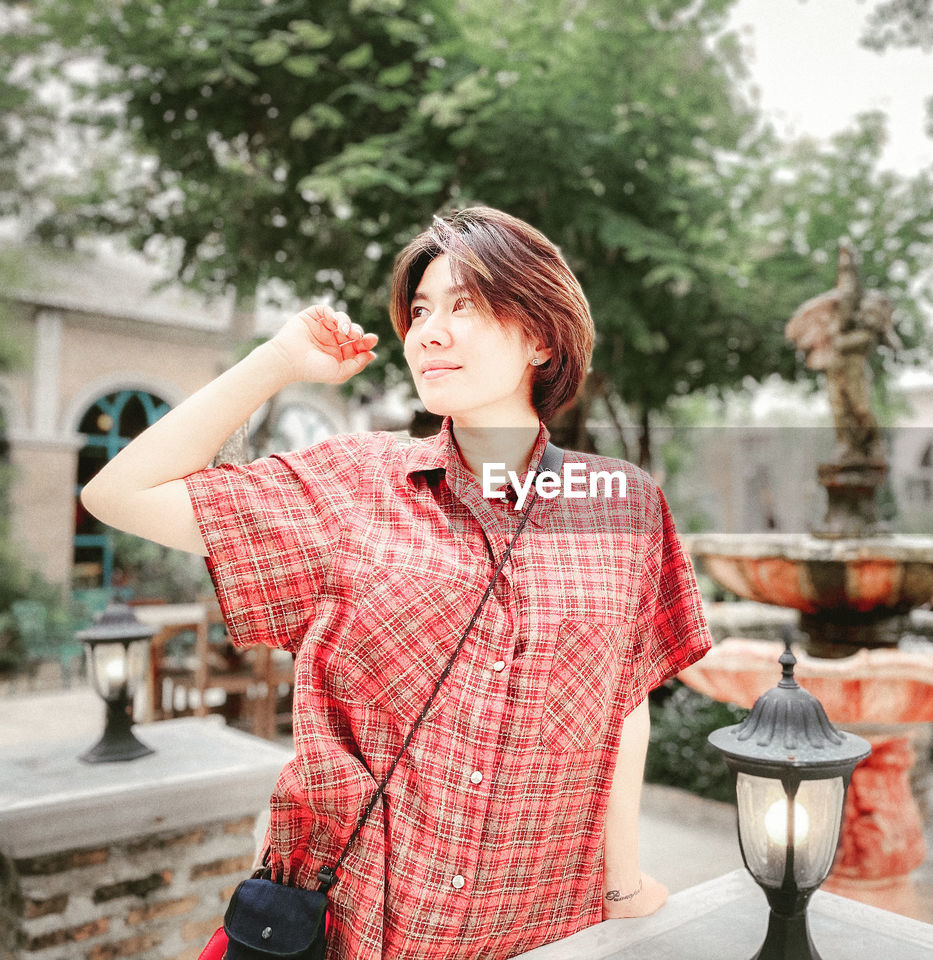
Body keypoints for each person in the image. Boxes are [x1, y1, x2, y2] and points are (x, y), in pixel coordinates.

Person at [80, 206, 713, 960]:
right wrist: (278, 360)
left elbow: (624, 698)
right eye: (419, 311)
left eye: (464, 306)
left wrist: (621, 885)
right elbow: (117, 494)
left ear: (542, 337)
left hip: (543, 928)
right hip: (361, 923)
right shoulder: (349, 484)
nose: (427, 333)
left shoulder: (625, 505)